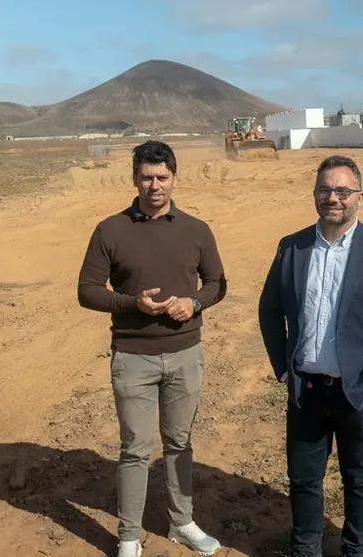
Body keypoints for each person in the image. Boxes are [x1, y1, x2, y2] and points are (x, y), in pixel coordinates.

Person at [258, 155, 363, 557]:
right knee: (303, 479)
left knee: (359, 478)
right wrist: (283, 368)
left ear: (359, 196)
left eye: (343, 190)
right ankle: (306, 549)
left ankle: (355, 550)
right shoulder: (291, 248)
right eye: (325, 189)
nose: (334, 198)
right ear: (314, 195)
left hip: (358, 391)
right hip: (307, 388)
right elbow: (269, 309)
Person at [77, 140, 227, 557]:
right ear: (134, 179)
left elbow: (218, 283)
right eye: (146, 177)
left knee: (179, 443)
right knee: (135, 449)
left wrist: (194, 302)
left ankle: (182, 523)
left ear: (174, 179)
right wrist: (132, 304)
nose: (154, 185)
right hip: (132, 357)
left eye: (162, 177)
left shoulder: (197, 230)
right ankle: (128, 537)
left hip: (185, 355)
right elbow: (87, 290)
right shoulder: (110, 229)